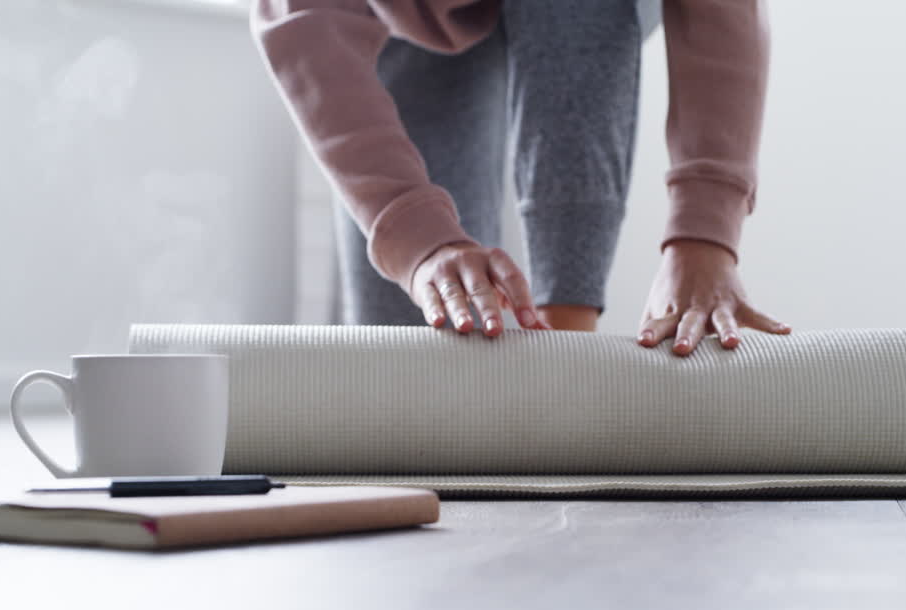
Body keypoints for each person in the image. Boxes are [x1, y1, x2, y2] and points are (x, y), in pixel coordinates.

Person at [250, 0, 791, 355]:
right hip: (406, 18)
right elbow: (302, 25)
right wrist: (420, 244)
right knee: (408, 360)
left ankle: (565, 363)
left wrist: (704, 239)